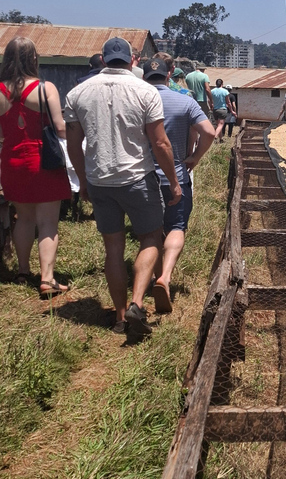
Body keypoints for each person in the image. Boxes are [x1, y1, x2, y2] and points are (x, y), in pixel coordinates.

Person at [64, 36, 182, 335]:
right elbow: (159, 142)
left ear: (102, 60)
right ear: (132, 60)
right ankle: (138, 303)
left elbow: (74, 145)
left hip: (100, 179)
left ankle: (118, 317)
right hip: (137, 178)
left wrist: (83, 180)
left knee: (113, 249)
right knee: (152, 238)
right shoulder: (144, 91)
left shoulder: (77, 93)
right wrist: (173, 181)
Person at [142, 56, 216, 313]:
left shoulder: (137, 100)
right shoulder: (184, 101)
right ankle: (166, 276)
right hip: (176, 175)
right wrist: (195, 157)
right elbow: (209, 132)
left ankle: (151, 276)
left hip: (142, 177)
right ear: (169, 74)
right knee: (176, 226)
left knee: (151, 230)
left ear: (144, 75)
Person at [0, 37, 70, 297]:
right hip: (42, 160)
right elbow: (60, 128)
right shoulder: (45, 88)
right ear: (34, 59)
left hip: (11, 161)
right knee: (48, 222)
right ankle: (48, 278)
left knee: (24, 217)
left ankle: (22, 270)